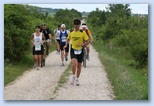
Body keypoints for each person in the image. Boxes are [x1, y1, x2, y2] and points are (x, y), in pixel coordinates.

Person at [63, 19, 89, 86]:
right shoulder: (71, 32)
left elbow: (87, 41)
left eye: (77, 24)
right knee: (74, 64)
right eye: (75, 24)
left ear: (79, 25)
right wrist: (66, 44)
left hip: (80, 49)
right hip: (73, 49)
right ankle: (73, 76)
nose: (76, 25)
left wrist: (82, 45)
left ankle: (77, 78)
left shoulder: (82, 32)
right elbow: (68, 39)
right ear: (74, 25)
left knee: (79, 66)